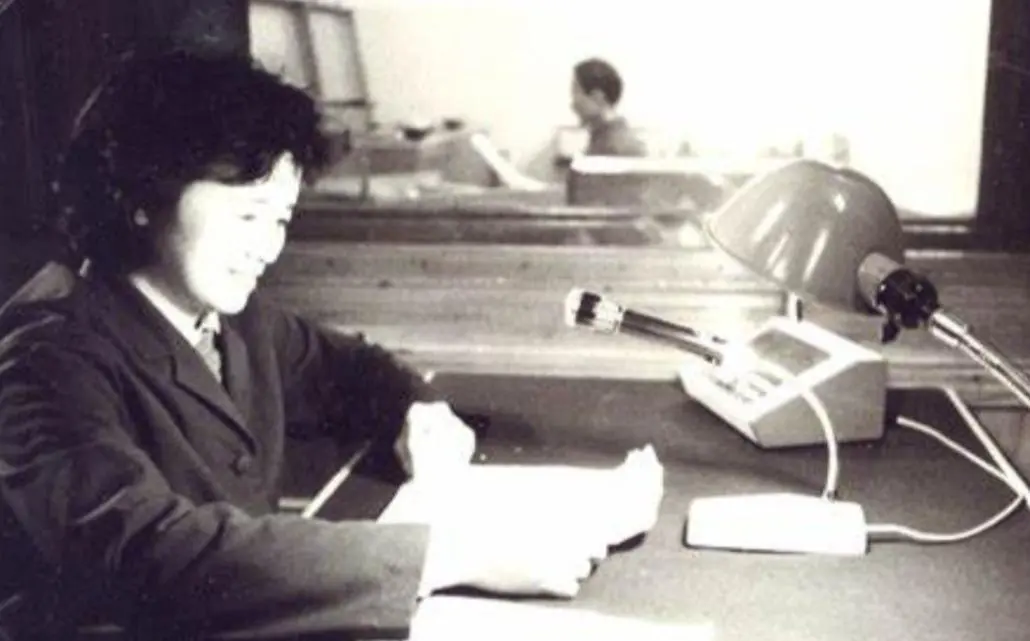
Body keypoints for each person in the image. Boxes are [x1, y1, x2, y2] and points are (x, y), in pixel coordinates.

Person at [0, 51, 623, 640]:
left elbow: (350, 371)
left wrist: (416, 411)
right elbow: (148, 550)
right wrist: (447, 553)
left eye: (282, 219)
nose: (268, 248)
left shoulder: (232, 319)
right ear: (143, 197)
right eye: (248, 215)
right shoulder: (42, 355)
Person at [570, 58, 648, 157]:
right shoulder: (603, 138)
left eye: (576, 93)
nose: (573, 105)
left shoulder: (617, 146)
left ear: (597, 97)